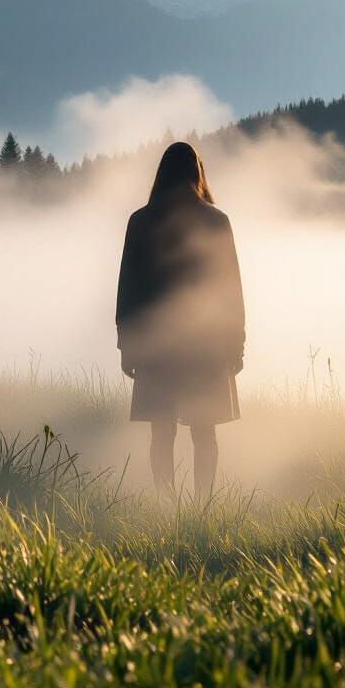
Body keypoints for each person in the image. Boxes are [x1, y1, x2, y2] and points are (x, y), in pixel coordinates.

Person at [116, 141, 245, 498]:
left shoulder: (140, 221)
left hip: (157, 345)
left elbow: (129, 287)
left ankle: (166, 506)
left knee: (162, 430)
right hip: (207, 343)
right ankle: (203, 507)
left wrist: (127, 346)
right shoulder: (217, 221)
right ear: (197, 173)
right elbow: (230, 286)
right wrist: (237, 343)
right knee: (205, 432)